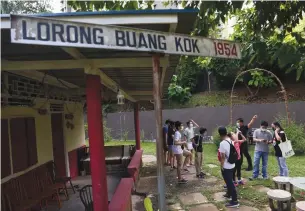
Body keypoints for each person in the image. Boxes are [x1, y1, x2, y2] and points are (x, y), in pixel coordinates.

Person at [218, 126, 239, 208]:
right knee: (229, 181)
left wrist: (221, 166)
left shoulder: (222, 143)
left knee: (230, 183)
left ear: (220, 134)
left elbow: (222, 157)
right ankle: (229, 194)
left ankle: (235, 201)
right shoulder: (230, 140)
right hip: (232, 165)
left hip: (226, 166)